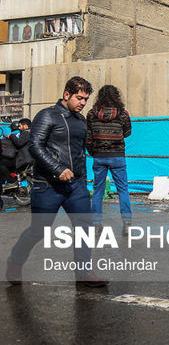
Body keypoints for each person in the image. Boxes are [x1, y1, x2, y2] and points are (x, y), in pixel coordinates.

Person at [6, 76, 108, 287]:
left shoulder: (81, 121)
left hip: (76, 185)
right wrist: (58, 169)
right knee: (38, 230)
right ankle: (15, 262)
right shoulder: (47, 116)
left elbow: (80, 149)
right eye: (79, 98)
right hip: (47, 185)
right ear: (66, 94)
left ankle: (84, 272)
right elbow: (35, 146)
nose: (82, 103)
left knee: (84, 227)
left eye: (86, 99)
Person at [86, 85, 132, 234]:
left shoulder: (92, 114)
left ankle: (96, 224)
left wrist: (94, 152)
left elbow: (88, 137)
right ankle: (126, 223)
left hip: (99, 156)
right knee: (123, 189)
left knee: (98, 190)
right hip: (117, 155)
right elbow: (127, 132)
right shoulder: (122, 114)